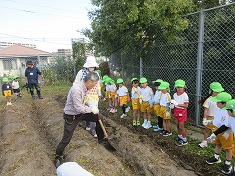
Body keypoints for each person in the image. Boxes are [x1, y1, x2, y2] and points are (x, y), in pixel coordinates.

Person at [54, 72, 104, 168]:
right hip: (71, 116)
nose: (95, 85)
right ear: (89, 82)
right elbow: (79, 108)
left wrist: (90, 104)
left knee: (98, 117)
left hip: (80, 113)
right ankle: (58, 156)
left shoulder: (84, 88)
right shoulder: (77, 89)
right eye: (95, 83)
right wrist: (91, 109)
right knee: (66, 139)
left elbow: (84, 100)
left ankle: (101, 139)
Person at [204, 92, 233, 175]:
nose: (216, 103)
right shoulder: (220, 109)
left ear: (224, 103)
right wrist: (210, 121)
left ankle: (228, 163)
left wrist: (215, 133)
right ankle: (216, 157)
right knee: (218, 144)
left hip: (226, 132)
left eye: (218, 102)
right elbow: (217, 119)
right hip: (217, 130)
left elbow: (226, 125)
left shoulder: (229, 113)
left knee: (228, 148)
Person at [73, 56, 101, 136]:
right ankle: (87, 124)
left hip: (93, 95)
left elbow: (98, 84)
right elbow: (75, 83)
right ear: (87, 66)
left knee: (94, 112)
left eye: (93, 67)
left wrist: (99, 93)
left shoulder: (96, 73)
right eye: (90, 66)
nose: (92, 68)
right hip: (84, 94)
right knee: (86, 110)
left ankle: (93, 130)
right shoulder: (81, 72)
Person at [199, 82, 224, 148]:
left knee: (218, 131)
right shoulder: (209, 100)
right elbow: (206, 110)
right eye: (217, 91)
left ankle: (218, 143)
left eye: (219, 91)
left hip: (218, 118)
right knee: (207, 130)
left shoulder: (222, 99)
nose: (218, 93)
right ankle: (204, 142)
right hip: (210, 118)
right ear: (211, 91)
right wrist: (204, 118)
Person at [171, 79, 189, 146]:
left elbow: (186, 105)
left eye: (181, 87)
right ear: (175, 87)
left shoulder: (185, 95)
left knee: (181, 127)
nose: (179, 89)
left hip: (182, 111)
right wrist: (172, 104)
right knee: (177, 125)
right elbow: (174, 103)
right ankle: (179, 136)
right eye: (177, 87)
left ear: (184, 87)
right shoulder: (175, 94)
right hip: (176, 111)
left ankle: (184, 140)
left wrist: (177, 104)